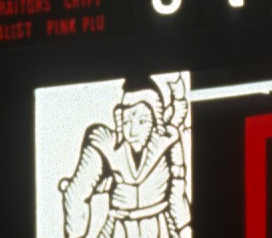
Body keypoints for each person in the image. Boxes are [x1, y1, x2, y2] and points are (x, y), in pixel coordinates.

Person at [59, 76, 191, 238]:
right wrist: (75, 233)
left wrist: (185, 230)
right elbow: (76, 193)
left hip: (160, 228)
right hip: (119, 229)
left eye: (142, 121)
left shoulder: (168, 141)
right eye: (128, 121)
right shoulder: (105, 144)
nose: (133, 132)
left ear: (155, 121)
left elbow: (177, 192)